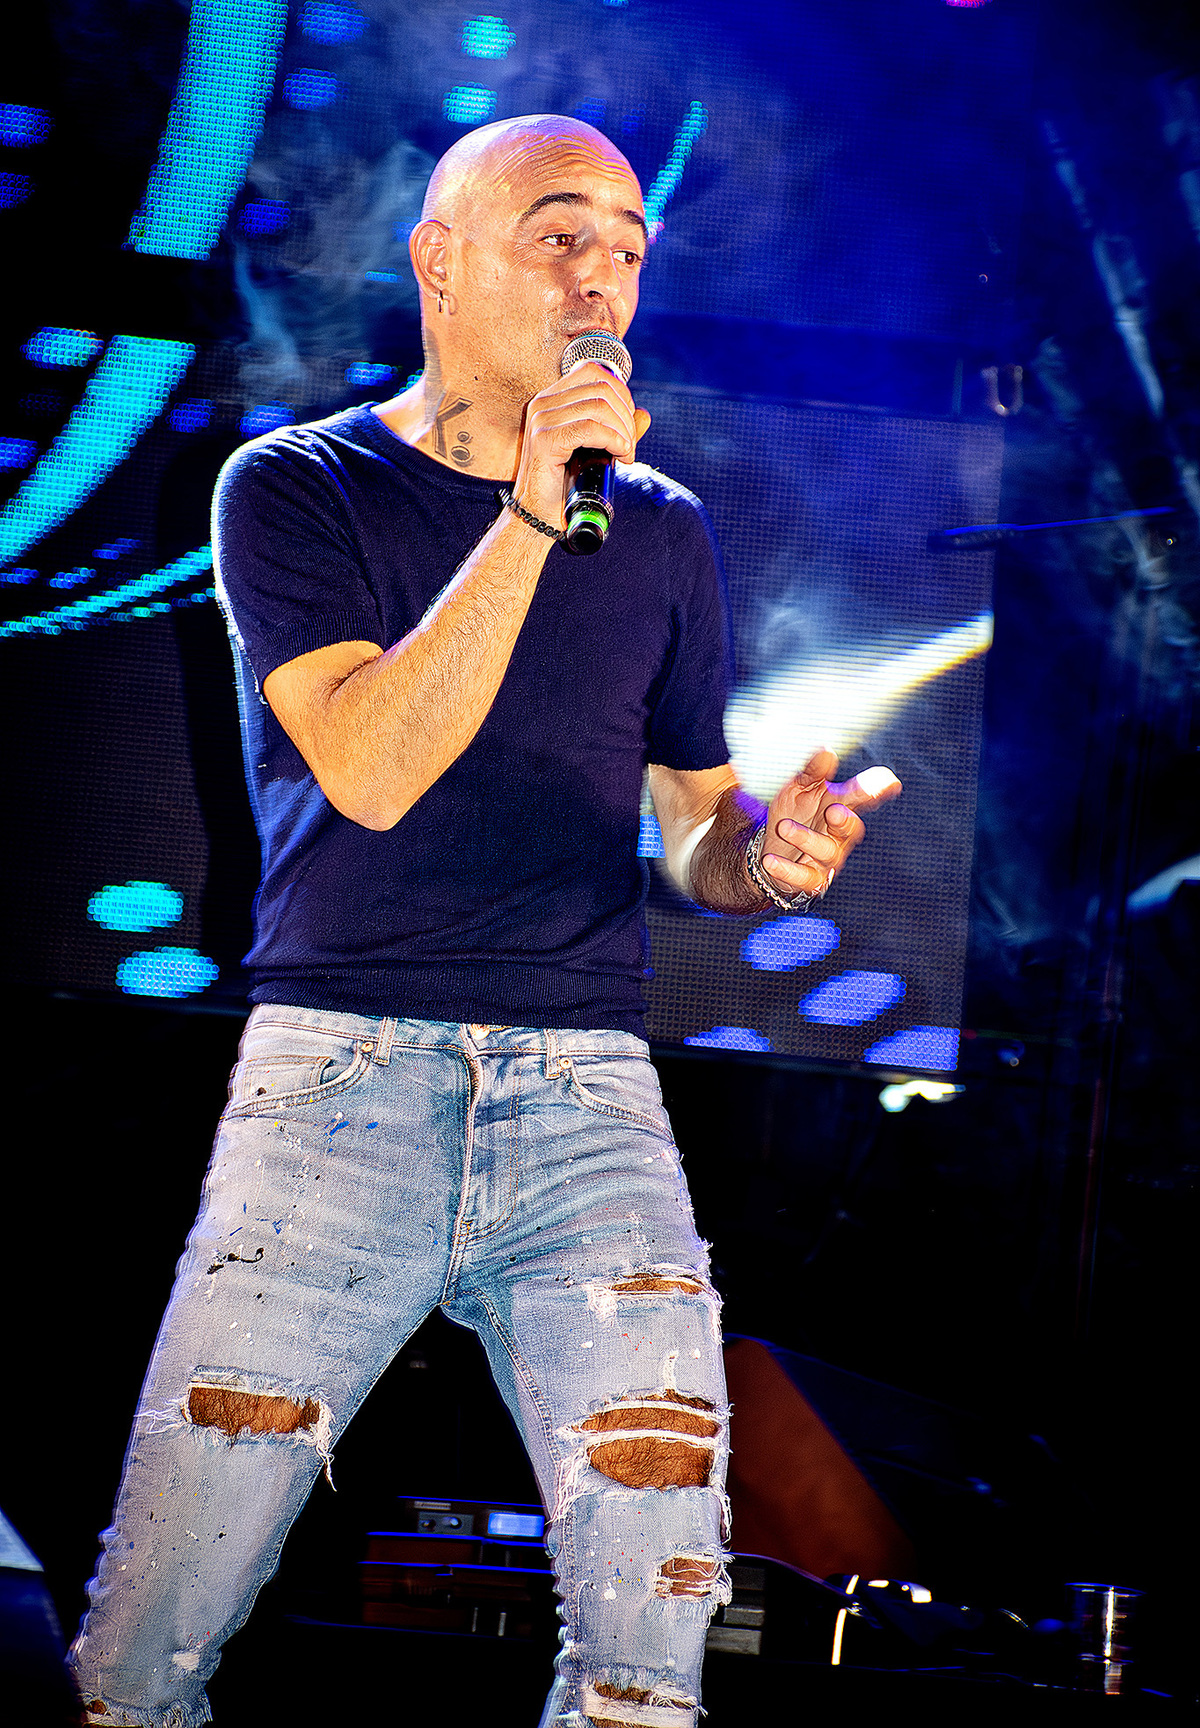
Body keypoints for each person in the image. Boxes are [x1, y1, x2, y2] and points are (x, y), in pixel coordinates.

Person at [70, 115, 899, 1728]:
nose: (603, 279)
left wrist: (771, 860)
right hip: (339, 1087)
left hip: (587, 1094)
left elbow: (694, 824)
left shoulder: (659, 528)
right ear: (440, 262)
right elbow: (371, 770)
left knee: (655, 1631)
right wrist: (528, 518)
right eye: (559, 234)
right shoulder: (296, 488)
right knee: (152, 1639)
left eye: (630, 249)